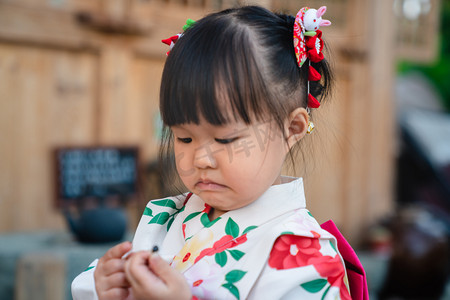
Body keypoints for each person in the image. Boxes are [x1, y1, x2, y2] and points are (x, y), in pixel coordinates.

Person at [72, 5, 351, 300]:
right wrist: (108, 286)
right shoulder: (167, 218)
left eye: (225, 139)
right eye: (184, 138)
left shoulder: (305, 254)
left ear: (292, 128)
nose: (201, 159)